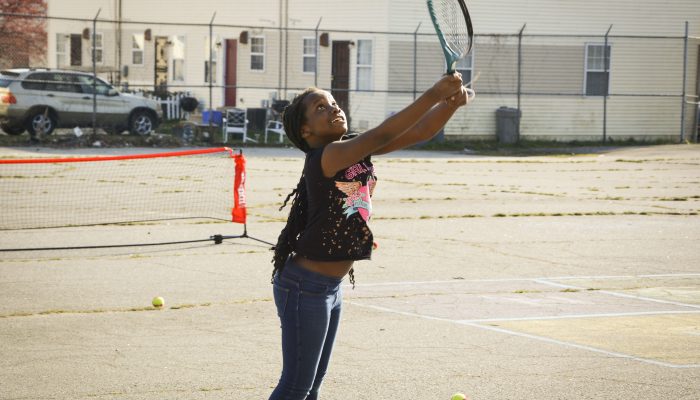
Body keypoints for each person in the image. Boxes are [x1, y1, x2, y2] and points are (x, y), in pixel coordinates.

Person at [269, 72, 475, 400]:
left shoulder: (350, 150)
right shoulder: (328, 156)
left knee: (311, 387)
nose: (333, 108)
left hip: (328, 289)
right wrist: (435, 92)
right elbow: (385, 132)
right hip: (304, 288)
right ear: (306, 130)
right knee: (296, 387)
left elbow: (420, 131)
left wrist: (450, 105)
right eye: (321, 107)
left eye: (334, 103)